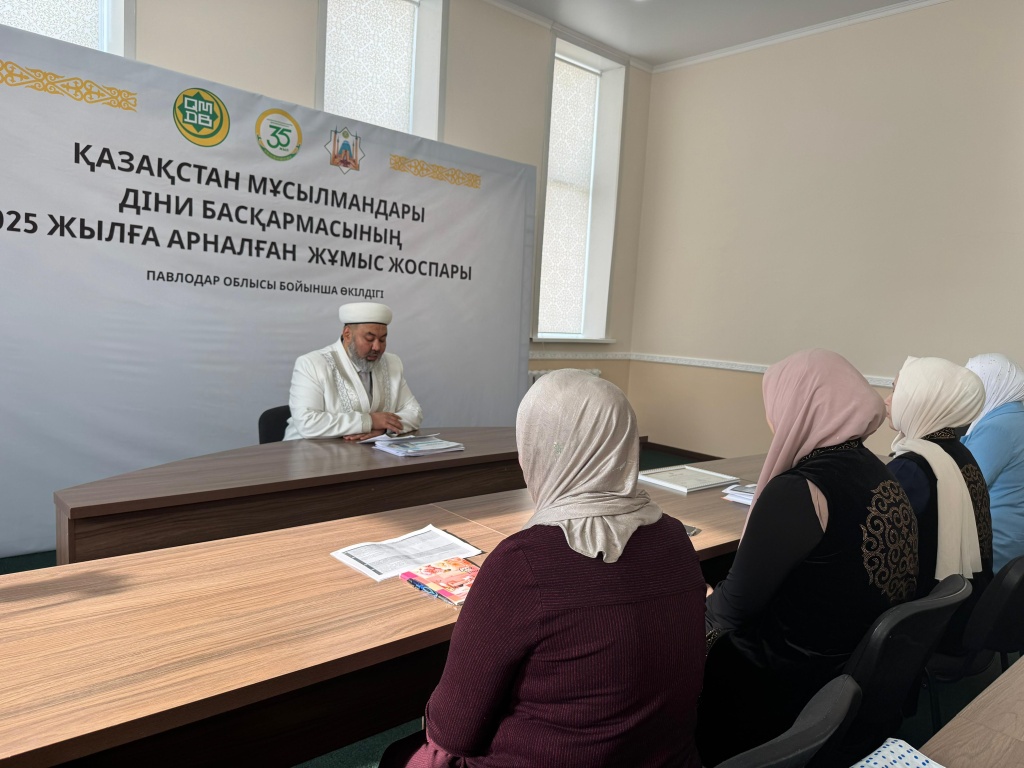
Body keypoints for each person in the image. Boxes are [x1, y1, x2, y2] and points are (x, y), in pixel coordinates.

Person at [379, 369, 707, 768]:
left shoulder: (524, 562)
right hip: (669, 760)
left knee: (397, 755)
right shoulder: (675, 536)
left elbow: (453, 732)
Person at [699, 349, 918, 766]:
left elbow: (732, 610)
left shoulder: (799, 490)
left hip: (789, 680)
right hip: (853, 668)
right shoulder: (879, 469)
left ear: (797, 407)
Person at [884, 356, 991, 654]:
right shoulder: (958, 452)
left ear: (923, 400)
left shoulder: (911, 468)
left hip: (921, 625)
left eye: (896, 390)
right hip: (961, 609)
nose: (887, 400)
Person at [283, 302, 423, 440]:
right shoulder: (312, 364)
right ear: (347, 334)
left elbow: (414, 412)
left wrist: (383, 429)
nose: (377, 347)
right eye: (369, 339)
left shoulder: (392, 363)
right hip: (306, 451)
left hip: (367, 452)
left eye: (382, 340)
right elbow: (307, 423)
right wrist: (370, 421)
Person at [962, 353, 1024, 574]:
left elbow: (964, 482)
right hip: (1013, 537)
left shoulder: (998, 427)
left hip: (996, 544)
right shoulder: (1016, 416)